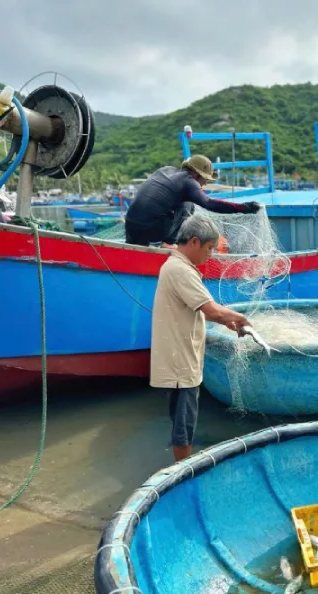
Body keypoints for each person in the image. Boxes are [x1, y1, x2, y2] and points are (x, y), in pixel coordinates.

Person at [150, 213, 251, 461]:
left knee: (181, 421)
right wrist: (240, 318)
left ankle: (182, 466)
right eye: (209, 248)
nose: (211, 254)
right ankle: (184, 473)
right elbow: (212, 309)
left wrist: (226, 321)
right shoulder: (181, 270)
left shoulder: (175, 266)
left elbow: (195, 310)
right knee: (184, 426)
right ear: (194, 242)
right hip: (180, 362)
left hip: (178, 356)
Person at [125, 155, 261, 248]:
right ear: (196, 174)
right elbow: (209, 203)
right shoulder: (188, 181)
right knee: (188, 204)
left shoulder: (165, 170)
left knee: (180, 200)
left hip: (131, 224)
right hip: (152, 229)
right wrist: (242, 208)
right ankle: (169, 243)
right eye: (205, 179)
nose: (205, 184)